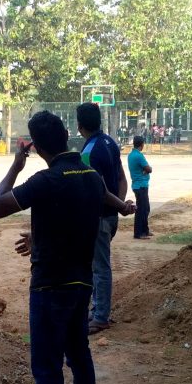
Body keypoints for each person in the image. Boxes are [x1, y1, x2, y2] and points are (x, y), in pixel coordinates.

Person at [0, 111, 134, 384]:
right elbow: (106, 202)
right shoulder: (90, 176)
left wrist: (15, 167)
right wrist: (124, 207)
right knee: (79, 354)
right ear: (68, 135)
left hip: (49, 285)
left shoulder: (45, 180)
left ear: (36, 147)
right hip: (81, 283)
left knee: (47, 364)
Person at [77, 102, 127, 334]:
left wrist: (117, 207)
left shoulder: (88, 152)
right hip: (109, 216)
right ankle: (97, 308)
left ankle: (101, 316)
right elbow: (121, 178)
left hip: (97, 218)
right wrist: (119, 206)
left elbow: (99, 190)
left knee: (99, 268)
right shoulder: (110, 143)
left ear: (80, 126)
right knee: (97, 265)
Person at [127, 135, 153, 239]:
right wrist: (148, 169)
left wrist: (145, 170)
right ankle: (138, 233)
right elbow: (149, 169)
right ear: (142, 145)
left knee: (145, 208)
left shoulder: (131, 155)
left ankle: (145, 230)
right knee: (142, 209)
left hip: (138, 184)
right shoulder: (139, 156)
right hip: (141, 185)